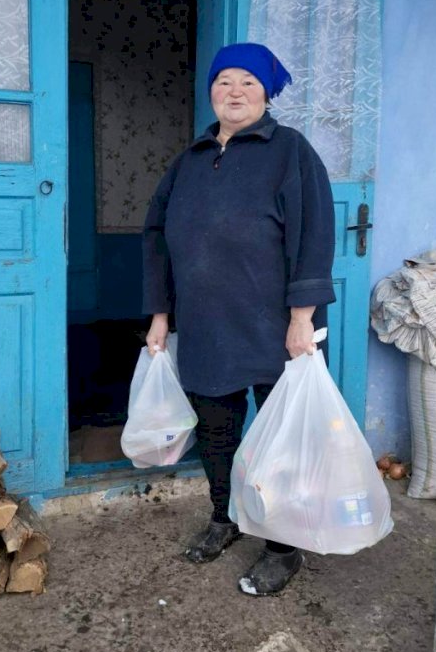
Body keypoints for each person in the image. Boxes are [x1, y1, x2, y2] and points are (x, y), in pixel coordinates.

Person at [142, 43, 335, 596]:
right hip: (207, 323)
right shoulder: (190, 160)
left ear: (267, 93)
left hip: (277, 325)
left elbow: (314, 236)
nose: (235, 91)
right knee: (216, 430)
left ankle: (282, 546)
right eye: (224, 80)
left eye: (248, 82)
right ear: (211, 91)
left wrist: (302, 318)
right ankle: (224, 518)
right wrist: (160, 316)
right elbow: (157, 238)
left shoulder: (291, 151)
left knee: (281, 439)